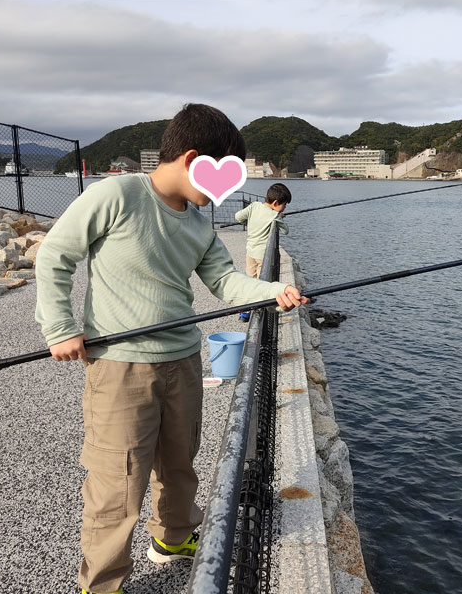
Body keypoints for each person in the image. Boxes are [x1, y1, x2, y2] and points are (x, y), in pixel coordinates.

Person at [34, 103, 308, 594]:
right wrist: (59, 327)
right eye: (222, 174)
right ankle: (102, 583)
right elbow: (56, 254)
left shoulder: (200, 222)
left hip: (182, 359)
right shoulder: (117, 194)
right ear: (191, 158)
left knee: (180, 463)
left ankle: (173, 539)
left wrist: (272, 292)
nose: (222, 190)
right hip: (120, 367)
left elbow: (225, 281)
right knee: (117, 483)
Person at [234, 182, 291, 321]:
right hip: (262, 256)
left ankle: (245, 312)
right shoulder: (274, 216)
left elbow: (238, 217)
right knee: (261, 285)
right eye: (284, 205)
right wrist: (279, 217)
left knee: (250, 282)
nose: (284, 207)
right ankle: (259, 314)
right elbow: (286, 231)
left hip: (250, 252)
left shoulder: (254, 206)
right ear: (276, 203)